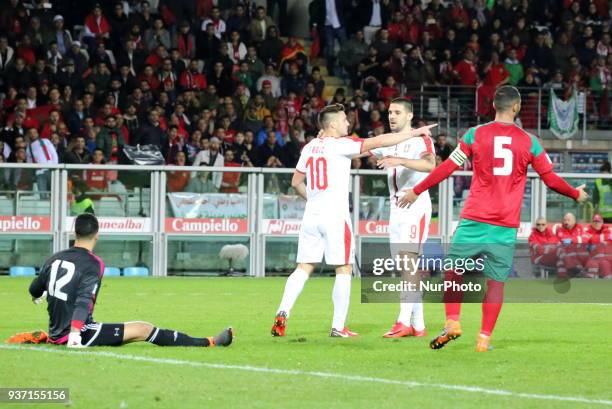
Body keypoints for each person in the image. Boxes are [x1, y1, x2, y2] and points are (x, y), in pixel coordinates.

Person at [399, 86, 588, 352]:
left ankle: (453, 320)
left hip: (474, 219)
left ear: (494, 106)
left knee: (454, 271)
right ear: (517, 107)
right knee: (496, 282)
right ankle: (484, 339)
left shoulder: (475, 134)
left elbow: (447, 168)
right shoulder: (529, 141)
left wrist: (416, 190)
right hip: (505, 225)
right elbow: (550, 179)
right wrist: (574, 194)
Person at [271, 103, 436, 338]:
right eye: (343, 120)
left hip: (312, 214)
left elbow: (296, 181)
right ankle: (339, 327)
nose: (348, 123)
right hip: (335, 216)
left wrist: (314, 199)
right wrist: (413, 132)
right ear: (332, 124)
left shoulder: (310, 147)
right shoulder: (341, 145)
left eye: (396, 112)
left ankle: (282, 312)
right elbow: (376, 143)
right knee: (344, 268)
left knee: (303, 267)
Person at [23, 213, 233, 348]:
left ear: (74, 232)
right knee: (143, 328)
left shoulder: (54, 258)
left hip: (57, 332)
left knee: (137, 331)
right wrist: (76, 333)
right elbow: (84, 300)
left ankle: (208, 341)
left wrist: (39, 294)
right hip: (78, 334)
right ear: (97, 235)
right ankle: (209, 342)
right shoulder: (93, 263)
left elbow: (34, 289)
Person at [370, 98, 436, 338]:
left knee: (409, 261)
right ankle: (418, 325)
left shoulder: (421, 139)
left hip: (415, 204)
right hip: (396, 207)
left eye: (397, 112)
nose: (391, 116)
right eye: (389, 112)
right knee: (405, 266)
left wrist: (401, 161)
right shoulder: (388, 142)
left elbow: (431, 166)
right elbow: (362, 147)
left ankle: (402, 322)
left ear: (409, 116)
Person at [583, 214, 611, 278]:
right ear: (591, 222)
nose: (596, 223)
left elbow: (608, 239)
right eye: (595, 222)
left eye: (599, 221)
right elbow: (584, 241)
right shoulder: (586, 230)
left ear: (602, 222)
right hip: (592, 258)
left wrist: (593, 239)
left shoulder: (608, 230)